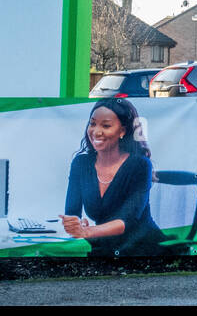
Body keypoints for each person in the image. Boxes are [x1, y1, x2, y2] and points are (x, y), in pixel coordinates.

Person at [60, 99, 165, 256]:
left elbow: (127, 220)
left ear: (122, 131)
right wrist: (76, 223)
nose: (96, 131)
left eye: (106, 125)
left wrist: (86, 231)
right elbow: (71, 212)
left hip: (143, 248)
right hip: (104, 245)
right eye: (92, 123)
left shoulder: (140, 165)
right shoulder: (81, 163)